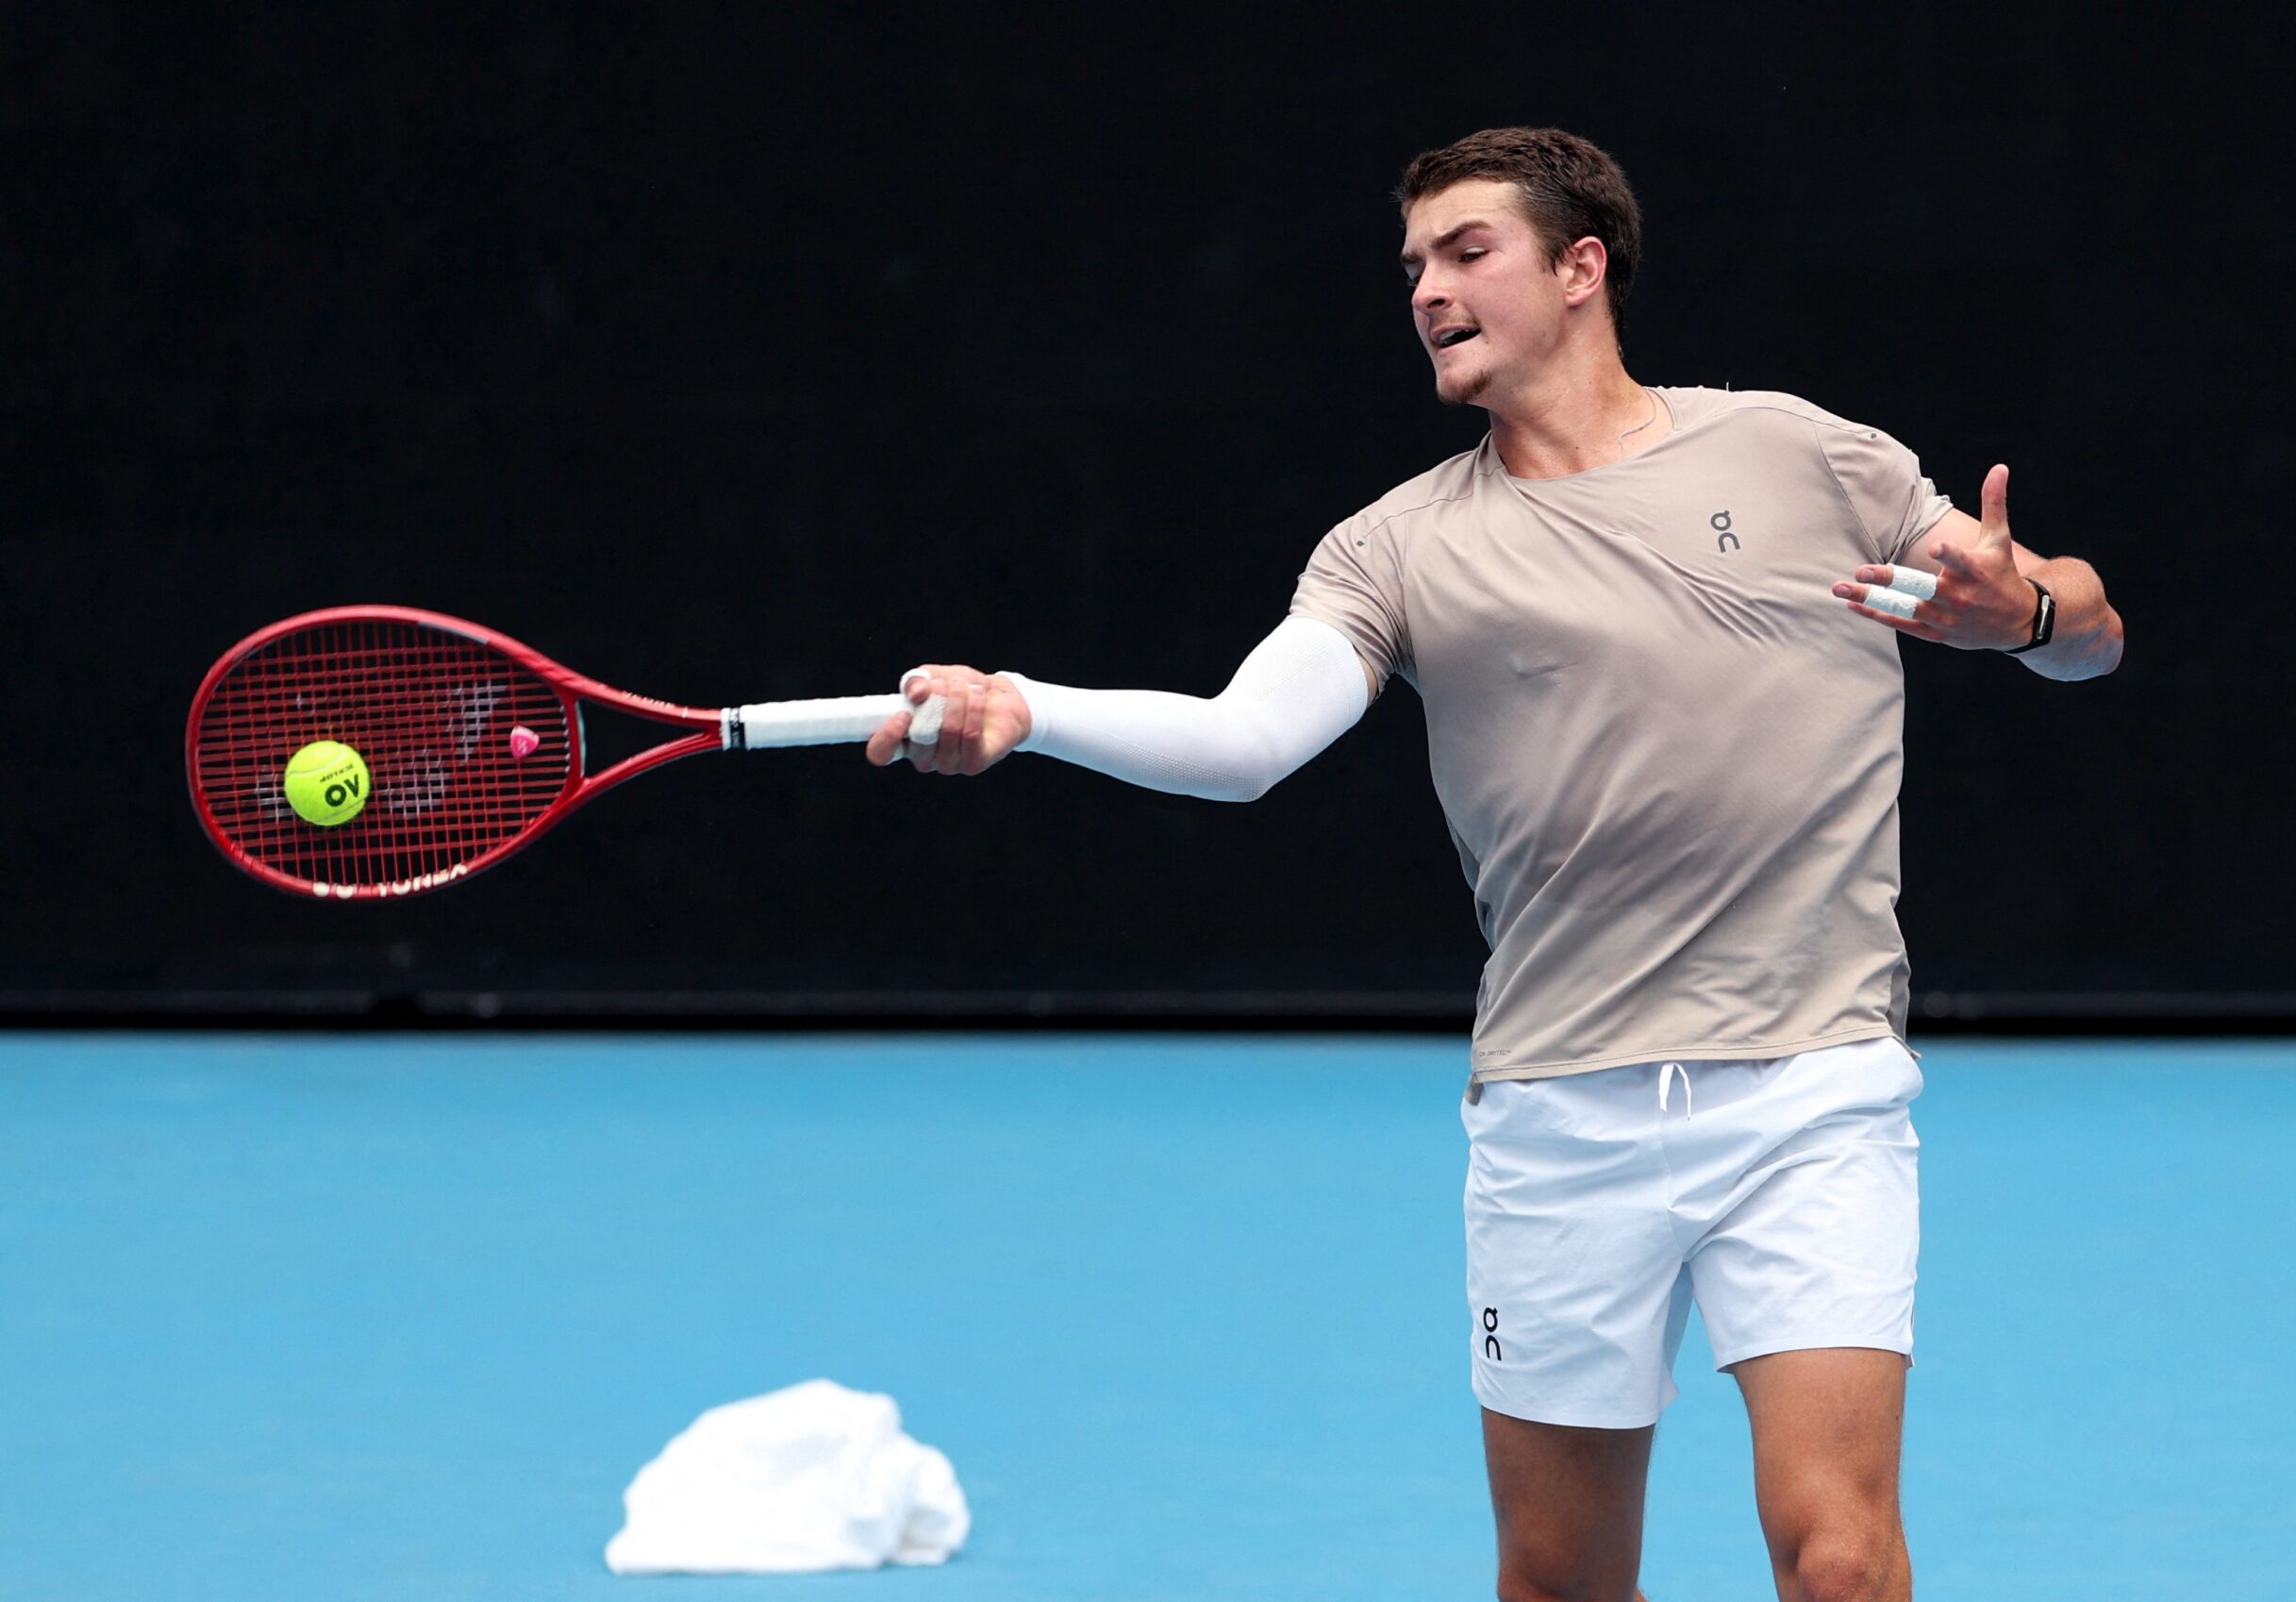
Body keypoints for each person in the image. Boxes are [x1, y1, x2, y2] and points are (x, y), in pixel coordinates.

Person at [866, 126, 2122, 1602]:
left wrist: (2033, 616)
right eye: (1413, 264)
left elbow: (2085, 623)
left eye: (1468, 252)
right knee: (1559, 1580)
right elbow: (1242, 739)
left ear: (1583, 267)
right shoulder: (1392, 549)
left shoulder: (1798, 451)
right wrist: (1029, 708)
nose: (1428, 289)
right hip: (1558, 1115)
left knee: (1840, 1558)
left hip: (1812, 1088)